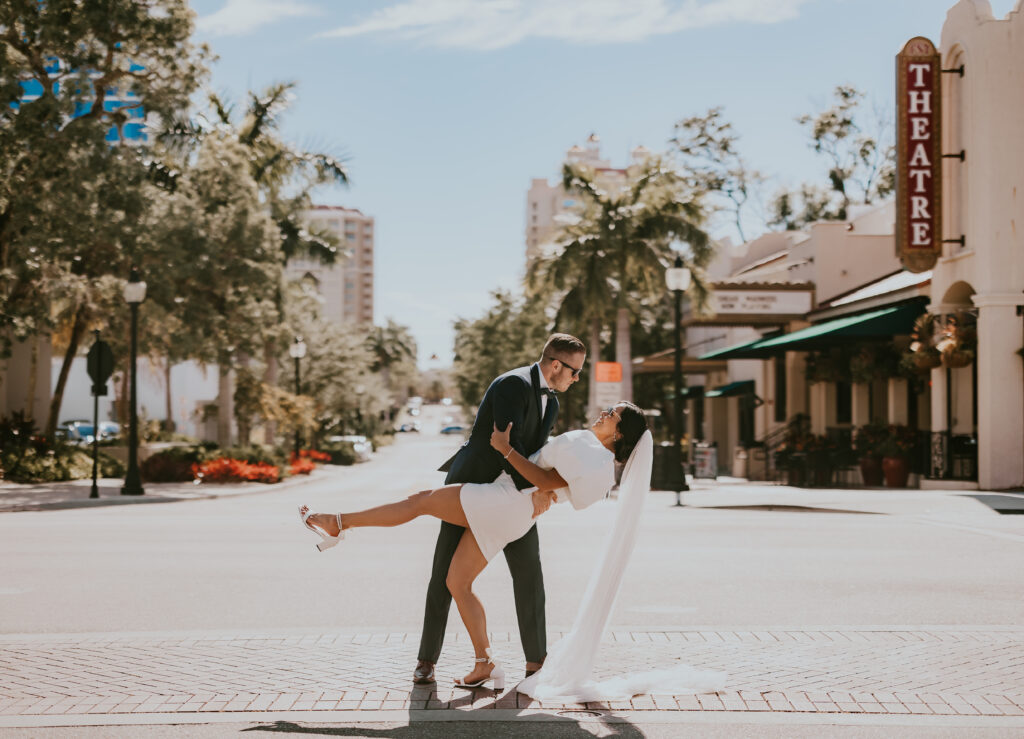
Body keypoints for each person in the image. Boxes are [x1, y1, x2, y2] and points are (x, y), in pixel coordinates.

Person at [299, 401, 650, 691]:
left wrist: (505, 448)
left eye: (613, 413)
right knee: (458, 582)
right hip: (516, 513)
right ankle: (485, 663)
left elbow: (546, 479)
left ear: (619, 432)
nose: (604, 412)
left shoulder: (591, 450)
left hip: (506, 500)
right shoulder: (601, 462)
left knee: (421, 501)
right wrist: (545, 489)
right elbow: (555, 484)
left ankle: (338, 523)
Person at [420, 334, 585, 685]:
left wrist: (540, 489)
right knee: (444, 574)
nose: (576, 379)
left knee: (530, 575)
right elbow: (505, 446)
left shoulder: (551, 405)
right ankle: (426, 660)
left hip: (513, 498)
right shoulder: (513, 383)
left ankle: (536, 664)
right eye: (575, 372)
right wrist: (535, 487)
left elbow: (534, 454)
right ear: (556, 364)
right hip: (469, 489)